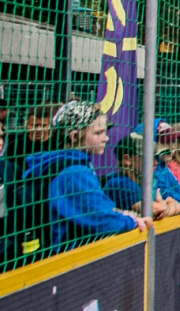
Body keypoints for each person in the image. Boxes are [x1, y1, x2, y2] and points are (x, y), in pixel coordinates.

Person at [25, 102, 154, 253]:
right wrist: (131, 221)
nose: (106, 138)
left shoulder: (69, 164)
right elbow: (102, 218)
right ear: (74, 136)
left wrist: (122, 215)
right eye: (98, 133)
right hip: (68, 256)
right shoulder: (75, 173)